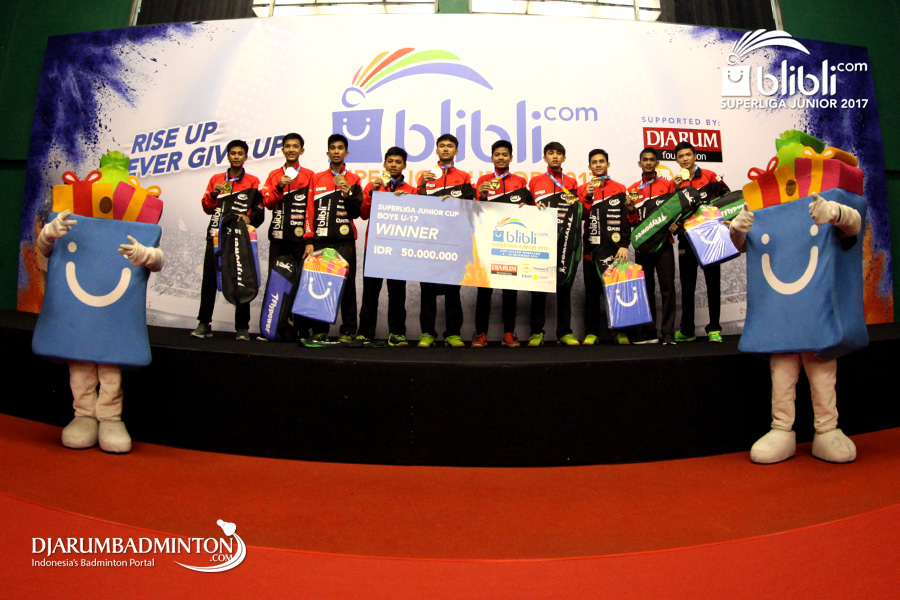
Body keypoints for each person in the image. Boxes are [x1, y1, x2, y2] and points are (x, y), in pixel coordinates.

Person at [729, 195, 861, 464]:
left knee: (822, 378)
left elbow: (855, 224)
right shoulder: (771, 213)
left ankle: (827, 428)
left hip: (816, 318)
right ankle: (781, 428)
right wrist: (736, 230)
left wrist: (835, 211)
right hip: (782, 320)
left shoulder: (821, 203)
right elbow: (742, 245)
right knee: (781, 377)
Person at [38, 210, 165, 453]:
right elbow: (45, 250)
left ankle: (110, 418)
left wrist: (147, 254)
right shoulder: (72, 224)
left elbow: (158, 260)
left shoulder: (132, 224)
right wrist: (48, 234)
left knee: (110, 369)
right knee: (79, 366)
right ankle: (84, 414)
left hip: (114, 318)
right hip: (77, 317)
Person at [193, 139, 263, 341]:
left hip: (240, 239)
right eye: (233, 153)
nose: (236, 157)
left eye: (240, 153)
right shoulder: (216, 179)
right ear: (228, 156)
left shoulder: (253, 181)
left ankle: (242, 328)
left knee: (242, 280)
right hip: (216, 237)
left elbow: (259, 212)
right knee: (209, 281)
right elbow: (207, 208)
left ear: (246, 157)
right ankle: (203, 323)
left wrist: (250, 219)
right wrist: (214, 194)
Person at [470, 140, 532, 348]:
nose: (501, 158)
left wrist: (527, 206)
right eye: (497, 154)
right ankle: (480, 334)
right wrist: (482, 195)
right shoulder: (483, 181)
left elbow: (530, 210)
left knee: (510, 290)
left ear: (511, 158)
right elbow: (475, 211)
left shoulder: (520, 182)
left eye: (505, 154)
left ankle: (509, 333)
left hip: (511, 244)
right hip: (487, 241)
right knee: (484, 290)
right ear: (492, 158)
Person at [303, 134, 363, 343]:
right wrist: (309, 240)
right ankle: (320, 330)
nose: (336, 151)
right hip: (320, 240)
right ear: (327, 152)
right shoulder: (316, 178)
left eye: (340, 148)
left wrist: (347, 196)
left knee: (347, 287)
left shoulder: (354, 179)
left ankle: (348, 330)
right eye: (333, 148)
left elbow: (356, 213)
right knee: (320, 285)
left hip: (345, 241)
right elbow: (309, 210)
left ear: (346, 153)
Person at [415, 133, 474, 348]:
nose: (446, 149)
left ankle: (453, 334)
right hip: (430, 241)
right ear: (437, 150)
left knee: (453, 290)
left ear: (456, 151)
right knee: (427, 290)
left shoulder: (464, 177)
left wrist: (456, 201)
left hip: (454, 240)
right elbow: (417, 207)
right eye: (442, 146)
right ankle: (427, 333)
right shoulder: (426, 176)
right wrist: (422, 186)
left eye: (450, 146)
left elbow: (472, 207)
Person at [356, 147, 417, 346]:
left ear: (404, 166)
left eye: (398, 162)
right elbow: (363, 214)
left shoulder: (411, 190)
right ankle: (365, 333)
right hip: (374, 247)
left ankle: (397, 334)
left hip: (398, 249)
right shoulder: (372, 186)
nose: (393, 165)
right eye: (390, 161)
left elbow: (416, 219)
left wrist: (407, 202)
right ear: (384, 164)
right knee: (370, 292)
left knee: (398, 293)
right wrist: (372, 193)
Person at [672, 141, 729, 343]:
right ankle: (687, 330)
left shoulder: (710, 176)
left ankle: (714, 328)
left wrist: (724, 219)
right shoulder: (676, 183)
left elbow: (727, 199)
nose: (685, 159)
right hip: (686, 239)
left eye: (688, 154)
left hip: (710, 237)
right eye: (681, 156)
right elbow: (670, 213)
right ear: (676, 160)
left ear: (695, 156)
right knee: (687, 286)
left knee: (713, 283)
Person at [259, 132, 315, 339]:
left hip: (300, 240)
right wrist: (279, 186)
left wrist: (309, 239)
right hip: (278, 238)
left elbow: (311, 209)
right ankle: (273, 326)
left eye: (295, 146)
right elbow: (267, 203)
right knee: (276, 281)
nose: (291, 149)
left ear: (302, 150)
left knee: (301, 283)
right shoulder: (274, 175)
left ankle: (300, 328)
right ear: (283, 150)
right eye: (288, 146)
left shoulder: (309, 175)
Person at [527, 141, 581, 346]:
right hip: (542, 241)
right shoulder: (535, 182)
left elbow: (578, 212)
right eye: (551, 153)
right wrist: (533, 208)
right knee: (538, 286)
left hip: (565, 240)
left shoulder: (572, 183)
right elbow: (526, 210)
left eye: (559, 153)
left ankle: (564, 332)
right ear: (545, 157)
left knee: (564, 286)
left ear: (564, 158)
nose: (555, 156)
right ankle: (536, 332)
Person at [577, 149, 628, 345]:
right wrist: (588, 197)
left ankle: (620, 331)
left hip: (615, 251)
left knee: (617, 291)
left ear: (608, 164)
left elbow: (625, 220)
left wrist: (624, 245)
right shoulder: (583, 189)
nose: (598, 165)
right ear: (589, 166)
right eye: (594, 162)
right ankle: (591, 332)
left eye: (601, 161)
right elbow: (581, 217)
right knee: (592, 293)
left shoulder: (620, 188)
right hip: (591, 249)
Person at [626, 147, 676, 345]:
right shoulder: (633, 190)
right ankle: (649, 332)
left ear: (657, 163)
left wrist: (675, 224)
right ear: (640, 163)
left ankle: (668, 332)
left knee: (667, 288)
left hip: (664, 245)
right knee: (646, 289)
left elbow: (676, 211)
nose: (648, 162)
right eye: (645, 160)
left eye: (651, 160)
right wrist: (631, 210)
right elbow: (632, 222)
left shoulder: (668, 185)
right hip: (643, 247)